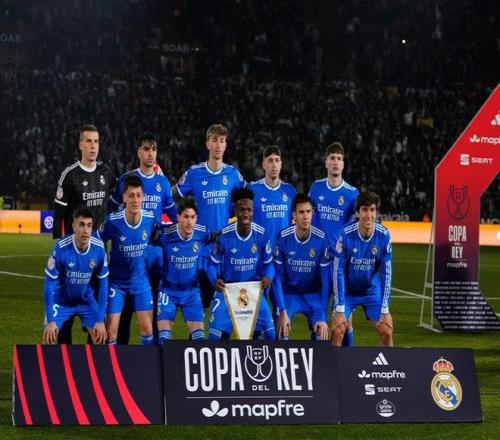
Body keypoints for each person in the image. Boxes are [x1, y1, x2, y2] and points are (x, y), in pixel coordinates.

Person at [108, 132, 176, 344]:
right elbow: (110, 210)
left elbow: (174, 216)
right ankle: (121, 353)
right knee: (125, 311)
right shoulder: (126, 180)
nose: (150, 153)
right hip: (129, 256)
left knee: (152, 306)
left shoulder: (163, 183)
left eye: (153, 149)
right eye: (146, 149)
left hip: (154, 255)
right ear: (139, 152)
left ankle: (152, 352)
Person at [53, 124, 116, 343]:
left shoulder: (106, 173)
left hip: (98, 251)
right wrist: (58, 248)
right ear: (81, 145)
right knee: (68, 304)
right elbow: (59, 213)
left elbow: (123, 192)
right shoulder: (70, 175)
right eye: (88, 141)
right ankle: (65, 354)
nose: (93, 146)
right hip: (73, 250)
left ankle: (92, 354)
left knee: (97, 305)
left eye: (96, 141)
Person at [173, 124, 245, 307]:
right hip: (200, 248)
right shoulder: (194, 173)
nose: (218, 145)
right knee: (200, 306)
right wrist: (180, 221)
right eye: (214, 140)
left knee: (226, 305)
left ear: (226, 145)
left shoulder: (233, 174)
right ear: (207, 144)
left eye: (222, 141)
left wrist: (233, 210)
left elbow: (247, 199)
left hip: (225, 247)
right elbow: (172, 196)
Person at [206, 188, 281, 340]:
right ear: (235, 212)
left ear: (253, 212)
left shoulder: (261, 234)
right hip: (227, 289)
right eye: (242, 210)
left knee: (270, 334)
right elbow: (212, 265)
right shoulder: (224, 235)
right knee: (214, 336)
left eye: (249, 210)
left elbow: (269, 265)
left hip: (253, 290)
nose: (246, 214)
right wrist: (214, 280)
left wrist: (268, 277)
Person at [309, 141, 359, 346]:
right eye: (332, 158)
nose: (336, 162)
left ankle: (348, 358)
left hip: (340, 262)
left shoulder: (352, 193)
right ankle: (317, 357)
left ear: (343, 164)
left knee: (345, 316)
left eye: (339, 158)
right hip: (318, 260)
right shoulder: (316, 187)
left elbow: (355, 228)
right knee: (318, 312)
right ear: (326, 162)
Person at [98, 175, 157, 345]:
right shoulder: (113, 221)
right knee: (111, 332)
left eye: (138, 195)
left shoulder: (150, 219)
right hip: (116, 284)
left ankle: (147, 361)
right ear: (124, 197)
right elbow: (98, 241)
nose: (135, 200)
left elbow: (159, 237)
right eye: (131, 195)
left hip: (140, 282)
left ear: (143, 197)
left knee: (147, 329)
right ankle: (112, 362)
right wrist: (101, 265)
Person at [331, 191, 393, 347]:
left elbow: (386, 273)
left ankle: (388, 363)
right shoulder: (345, 235)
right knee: (338, 329)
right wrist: (339, 307)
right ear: (358, 213)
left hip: (371, 291)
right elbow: (338, 271)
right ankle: (334, 362)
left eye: (372, 210)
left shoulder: (384, 236)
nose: (369, 215)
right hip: (348, 291)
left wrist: (385, 308)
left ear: (376, 213)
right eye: (365, 210)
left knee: (386, 329)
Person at [43, 207, 108, 345]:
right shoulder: (61, 248)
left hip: (86, 301)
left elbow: (103, 284)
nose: (86, 230)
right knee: (49, 338)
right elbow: (49, 284)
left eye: (89, 225)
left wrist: (100, 320)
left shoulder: (99, 248)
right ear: (74, 226)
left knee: (101, 338)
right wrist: (50, 320)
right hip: (61, 302)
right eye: (81, 224)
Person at [274, 194, 331, 340]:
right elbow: (277, 277)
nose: (305, 216)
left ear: (313, 213)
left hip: (313, 294)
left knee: (321, 333)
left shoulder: (321, 238)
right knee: (282, 331)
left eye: (308, 211)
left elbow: (325, 280)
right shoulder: (283, 237)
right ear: (294, 215)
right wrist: (282, 310)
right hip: (289, 293)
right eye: (301, 212)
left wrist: (322, 315)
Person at [156, 197, 212, 343]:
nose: (189, 221)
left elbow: (220, 239)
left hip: (191, 292)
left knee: (199, 340)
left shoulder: (203, 233)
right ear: (178, 217)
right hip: (168, 291)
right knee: (164, 340)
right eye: (186, 217)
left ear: (196, 218)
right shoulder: (166, 235)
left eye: (193, 217)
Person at [248, 145, 297, 246]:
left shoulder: (290, 190)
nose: (274, 165)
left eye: (277, 160)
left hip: (284, 250)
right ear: (264, 165)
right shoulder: (253, 189)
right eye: (270, 161)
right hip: (259, 250)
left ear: (281, 164)